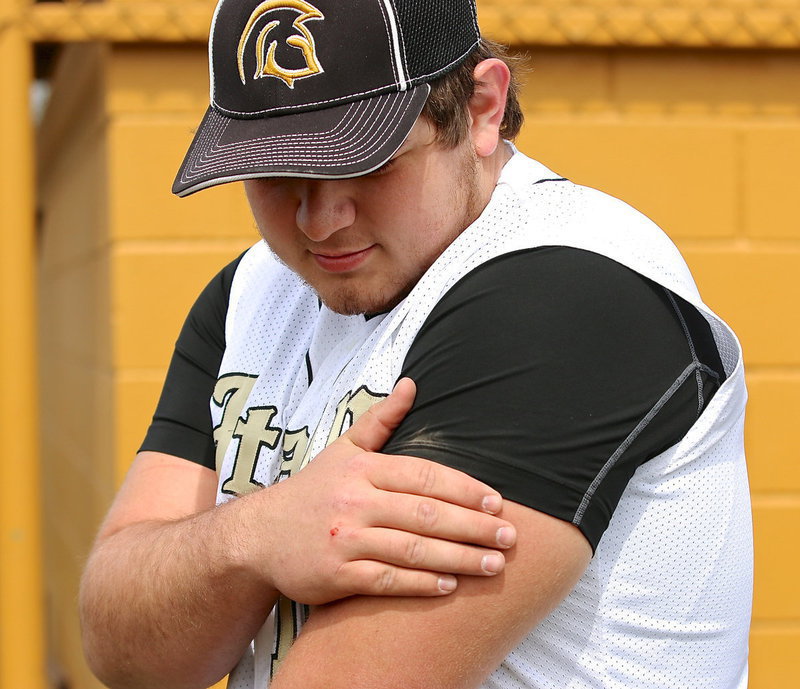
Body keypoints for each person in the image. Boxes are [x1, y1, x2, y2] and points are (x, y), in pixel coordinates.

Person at [79, 0, 753, 687]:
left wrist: (217, 552)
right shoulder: (253, 293)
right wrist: (254, 536)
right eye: (277, 170)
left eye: (369, 162)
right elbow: (120, 643)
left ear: (483, 108)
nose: (320, 220)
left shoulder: (569, 292)